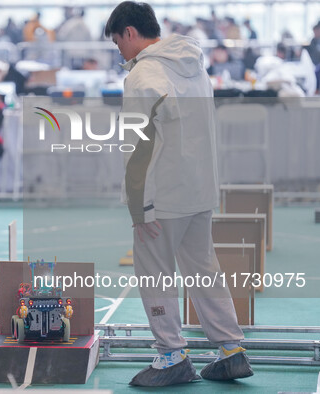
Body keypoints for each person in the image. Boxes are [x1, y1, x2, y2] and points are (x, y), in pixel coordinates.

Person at [105, 1, 253, 387]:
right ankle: (231, 350)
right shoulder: (194, 65)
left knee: (155, 275)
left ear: (131, 33)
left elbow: (138, 148)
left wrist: (140, 206)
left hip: (163, 197)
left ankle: (171, 355)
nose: (119, 51)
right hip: (199, 190)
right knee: (204, 270)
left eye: (118, 41)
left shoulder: (142, 76)